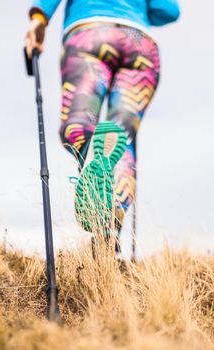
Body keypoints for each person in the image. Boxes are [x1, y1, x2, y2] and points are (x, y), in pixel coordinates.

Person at [25, 0, 180, 250]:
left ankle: (91, 159)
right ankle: (110, 222)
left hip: (89, 35)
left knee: (78, 126)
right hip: (140, 45)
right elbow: (170, 11)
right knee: (122, 137)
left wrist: (38, 20)